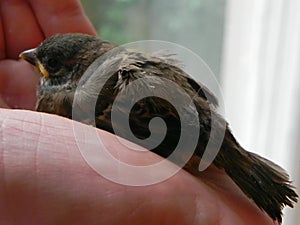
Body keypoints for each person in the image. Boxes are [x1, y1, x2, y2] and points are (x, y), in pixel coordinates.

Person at [0, 1, 279, 224]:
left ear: (70, 69)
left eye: (51, 62)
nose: (31, 57)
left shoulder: (65, 102)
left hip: (183, 133)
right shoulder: (117, 59)